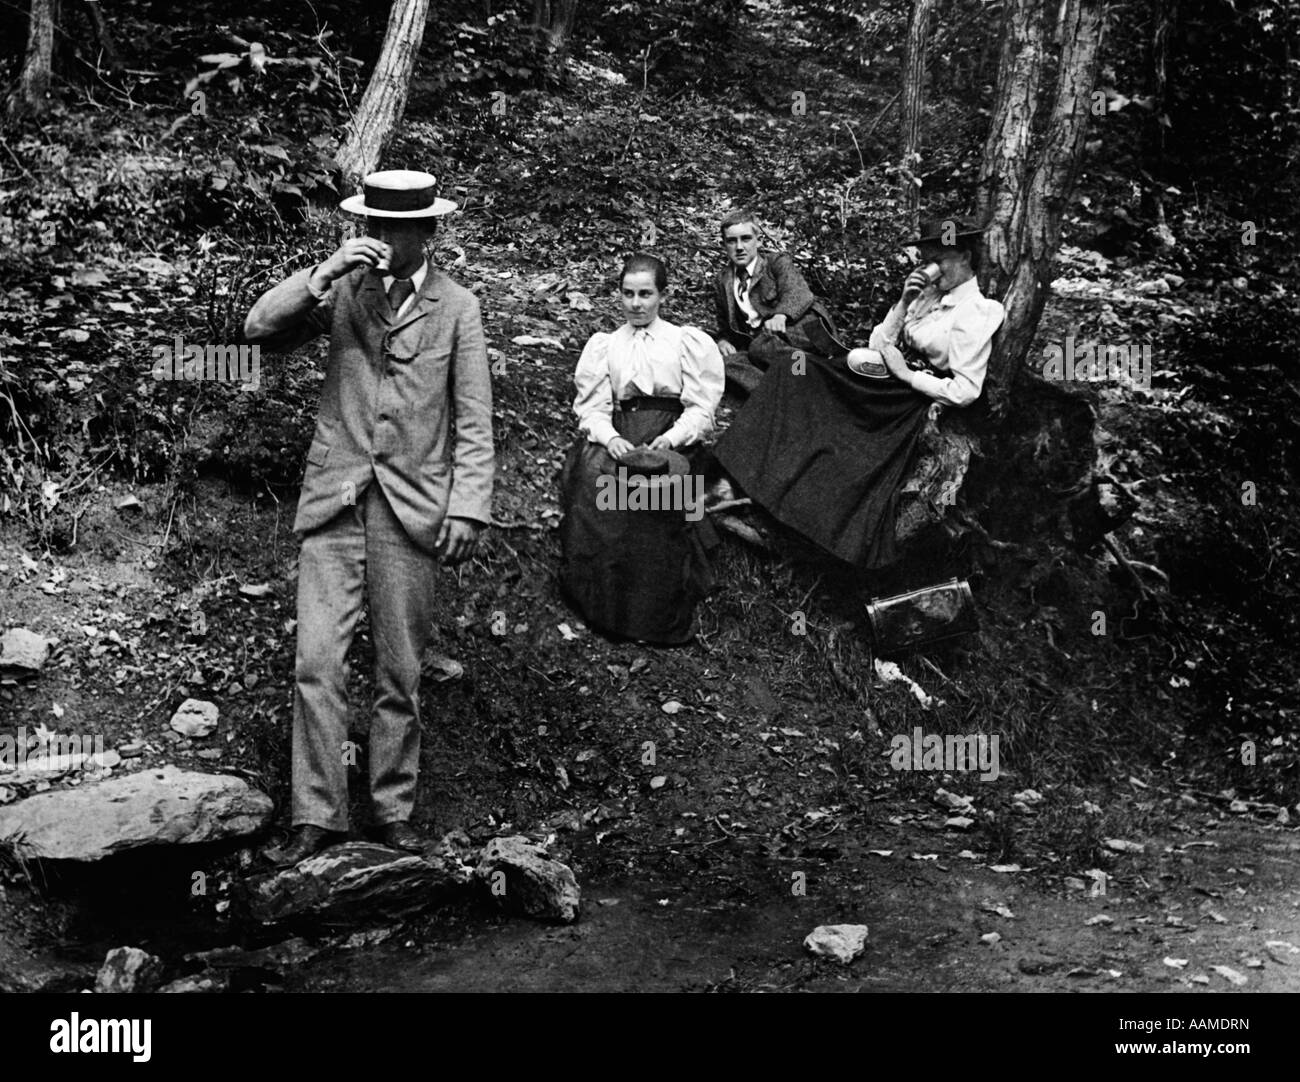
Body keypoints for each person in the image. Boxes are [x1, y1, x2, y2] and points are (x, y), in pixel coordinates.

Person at [242, 169, 495, 866]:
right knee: (317, 662)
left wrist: (469, 505)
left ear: (427, 232)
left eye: (394, 228)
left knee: (400, 670)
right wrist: (321, 273)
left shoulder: (458, 308)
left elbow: (474, 419)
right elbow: (257, 327)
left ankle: (391, 811)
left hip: (412, 507)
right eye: (372, 225)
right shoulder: (344, 289)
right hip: (334, 498)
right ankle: (317, 815)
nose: (380, 239)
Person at [714, 215, 1004, 568]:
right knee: (792, 371)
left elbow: (966, 390)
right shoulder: (927, 296)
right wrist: (903, 303)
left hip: (903, 398)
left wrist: (907, 375)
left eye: (937, 261)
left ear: (965, 257)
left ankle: (796, 516)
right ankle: (743, 474)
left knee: (841, 443)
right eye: (926, 260)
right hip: (879, 377)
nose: (930, 270)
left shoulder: (978, 311)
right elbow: (878, 342)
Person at [559, 253, 725, 644]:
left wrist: (672, 439)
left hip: (671, 438)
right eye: (628, 294)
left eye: (645, 294)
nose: (636, 303)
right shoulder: (606, 346)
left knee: (663, 503)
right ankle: (606, 611)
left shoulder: (685, 341)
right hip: (622, 437)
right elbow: (592, 408)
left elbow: (702, 409)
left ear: (662, 296)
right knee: (596, 486)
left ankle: (653, 617)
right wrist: (610, 437)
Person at [713, 209, 846, 395]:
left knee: (761, 347)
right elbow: (724, 324)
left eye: (746, 239)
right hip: (766, 347)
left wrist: (781, 315)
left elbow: (798, 292)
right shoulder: (723, 280)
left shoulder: (776, 263)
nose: (739, 247)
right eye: (732, 241)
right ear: (723, 244)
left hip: (803, 333)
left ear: (758, 241)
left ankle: (818, 375)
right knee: (725, 363)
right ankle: (777, 394)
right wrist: (722, 341)